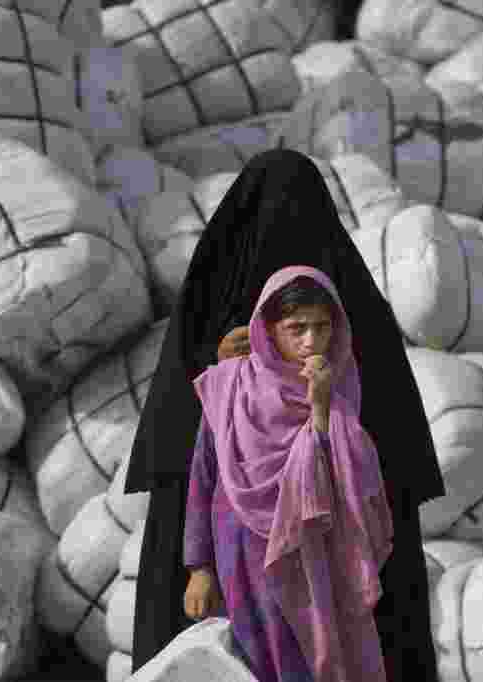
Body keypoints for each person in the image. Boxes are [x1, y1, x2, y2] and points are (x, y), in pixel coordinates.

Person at [124, 148, 446, 681]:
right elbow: (197, 446)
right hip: (235, 535)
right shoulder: (338, 309)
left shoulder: (240, 292)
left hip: (330, 531)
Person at [183, 266, 392, 682]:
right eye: (296, 328)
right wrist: (199, 568)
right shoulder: (231, 386)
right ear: (268, 329)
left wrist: (321, 408)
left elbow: (350, 481)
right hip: (241, 554)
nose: (311, 341)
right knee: (253, 660)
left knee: (315, 657)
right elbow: (202, 477)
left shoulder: (342, 384)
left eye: (321, 327)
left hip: (312, 556)